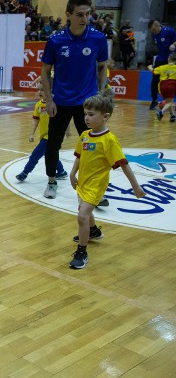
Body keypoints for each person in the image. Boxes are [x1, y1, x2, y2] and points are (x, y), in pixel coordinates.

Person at [41, 0, 108, 200]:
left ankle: (91, 189)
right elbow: (45, 71)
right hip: (60, 103)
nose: (85, 18)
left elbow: (103, 66)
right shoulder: (55, 41)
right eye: (80, 14)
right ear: (68, 15)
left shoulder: (98, 38)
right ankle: (52, 181)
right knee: (53, 145)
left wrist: (100, 93)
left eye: (88, 14)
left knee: (92, 147)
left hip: (87, 105)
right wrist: (49, 100)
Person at [68, 91, 145, 269]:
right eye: (85, 114)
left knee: (82, 216)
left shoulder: (109, 140)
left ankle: (82, 252)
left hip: (97, 185)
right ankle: (93, 232)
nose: (86, 118)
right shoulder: (85, 135)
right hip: (83, 182)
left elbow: (123, 164)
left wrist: (135, 187)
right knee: (83, 211)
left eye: (91, 114)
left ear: (105, 116)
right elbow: (79, 156)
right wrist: (72, 174)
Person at [16, 85, 69, 181]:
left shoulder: (55, 103)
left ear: (49, 90)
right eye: (38, 89)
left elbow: (64, 118)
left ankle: (24, 173)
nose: (40, 92)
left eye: (43, 89)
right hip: (43, 135)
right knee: (50, 155)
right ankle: (61, 172)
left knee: (34, 156)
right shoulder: (38, 105)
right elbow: (35, 121)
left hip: (51, 136)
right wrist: (31, 134)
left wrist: (67, 130)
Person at [148, 20, 176, 110]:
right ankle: (154, 100)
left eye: (154, 29)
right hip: (160, 59)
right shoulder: (154, 35)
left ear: (157, 25)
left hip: (171, 59)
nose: (153, 32)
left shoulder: (169, 31)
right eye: (152, 31)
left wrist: (174, 44)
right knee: (154, 80)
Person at [148, 53, 176, 122]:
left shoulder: (162, 67)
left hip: (162, 86)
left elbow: (153, 71)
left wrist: (149, 66)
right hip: (171, 85)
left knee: (168, 101)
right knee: (170, 102)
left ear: (168, 59)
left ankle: (172, 115)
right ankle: (161, 112)